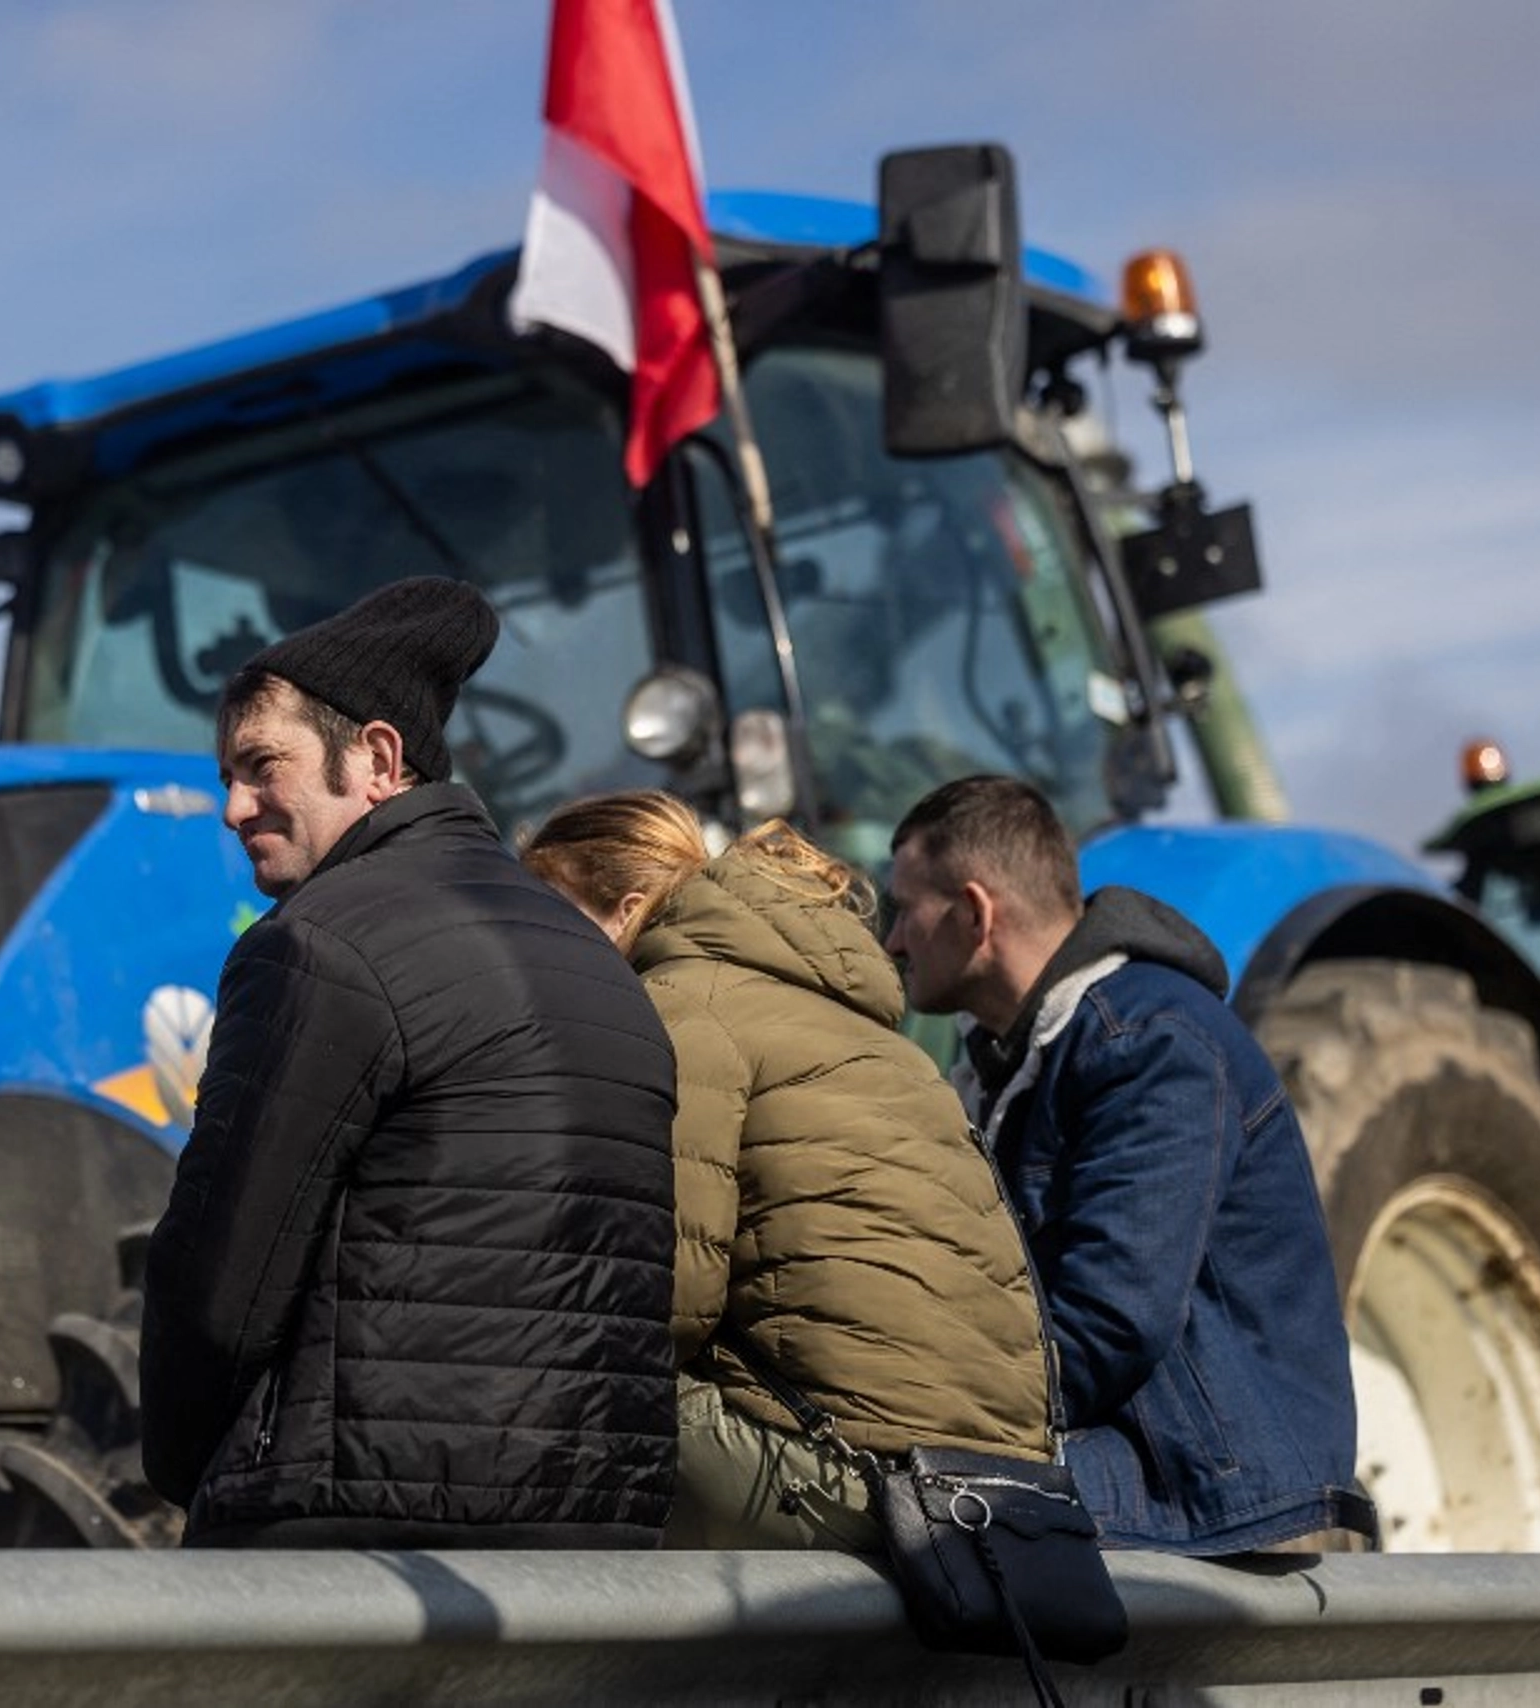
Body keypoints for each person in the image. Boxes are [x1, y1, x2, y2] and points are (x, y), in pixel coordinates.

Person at [139, 576, 680, 1548]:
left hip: (365, 1535)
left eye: (263, 766)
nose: (231, 806)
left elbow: (223, 1286)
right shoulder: (594, 962)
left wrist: (191, 1478)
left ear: (378, 757)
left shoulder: (317, 946)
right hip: (604, 1531)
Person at [522, 791, 1053, 1550]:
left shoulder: (676, 1010)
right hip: (997, 1494)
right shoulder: (884, 1046)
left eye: (547, 919)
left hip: (856, 1481)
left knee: (536, 1386)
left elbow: (663, 1302)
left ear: (623, 911)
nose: (528, 949)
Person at [884, 774, 1375, 1554]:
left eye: (905, 909)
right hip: (1134, 1455)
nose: (893, 942)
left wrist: (929, 1408)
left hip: (1216, 1487)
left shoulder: (1149, 1043)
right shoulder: (1003, 1069)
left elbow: (1110, 1321)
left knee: (900, 1505)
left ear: (975, 914)